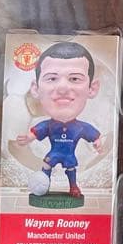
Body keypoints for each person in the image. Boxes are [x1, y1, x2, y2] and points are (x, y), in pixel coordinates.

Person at [15, 40, 104, 197]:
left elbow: (93, 134)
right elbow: (37, 131)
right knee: (46, 166)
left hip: (69, 155)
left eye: (74, 79)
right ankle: (44, 186)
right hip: (54, 153)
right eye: (52, 78)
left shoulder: (80, 127)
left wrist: (97, 142)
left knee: (71, 169)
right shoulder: (49, 125)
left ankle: (73, 187)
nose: (63, 88)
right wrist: (28, 138)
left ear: (92, 88)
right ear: (35, 89)